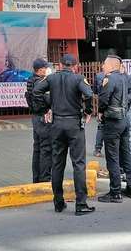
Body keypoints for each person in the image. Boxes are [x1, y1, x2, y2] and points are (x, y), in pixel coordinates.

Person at [32, 54, 96, 216]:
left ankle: (58, 202)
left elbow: (36, 91)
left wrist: (46, 107)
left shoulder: (51, 78)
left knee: (57, 163)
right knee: (79, 164)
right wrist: (88, 111)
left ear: (60, 65)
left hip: (57, 124)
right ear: (75, 65)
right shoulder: (78, 79)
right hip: (74, 124)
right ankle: (81, 204)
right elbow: (89, 95)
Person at [97, 55, 131, 203]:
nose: (102, 67)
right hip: (125, 119)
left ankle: (115, 192)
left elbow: (103, 99)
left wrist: (100, 111)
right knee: (126, 154)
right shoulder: (125, 78)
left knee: (112, 156)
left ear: (112, 66)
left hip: (113, 120)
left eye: (104, 64)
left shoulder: (109, 79)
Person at [25, 58, 52, 183]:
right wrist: (47, 110)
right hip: (43, 118)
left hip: (35, 118)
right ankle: (45, 179)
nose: (47, 70)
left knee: (37, 149)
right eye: (45, 68)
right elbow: (47, 99)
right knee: (46, 149)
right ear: (40, 70)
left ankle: (36, 179)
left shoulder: (31, 80)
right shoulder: (41, 82)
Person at [120, 63, 131, 168]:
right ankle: (122, 168)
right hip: (118, 111)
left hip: (127, 110)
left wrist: (122, 100)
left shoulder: (130, 78)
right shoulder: (113, 78)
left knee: (128, 140)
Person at [92, 71, 106, 157]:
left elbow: (95, 92)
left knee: (101, 127)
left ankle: (97, 149)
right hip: (115, 106)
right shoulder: (120, 76)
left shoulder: (99, 75)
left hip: (102, 104)